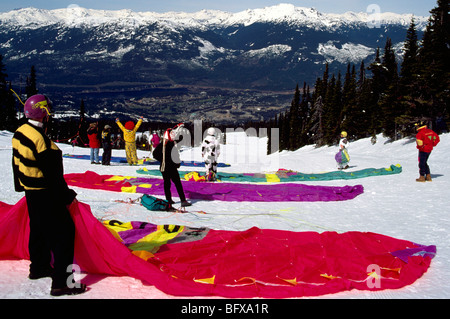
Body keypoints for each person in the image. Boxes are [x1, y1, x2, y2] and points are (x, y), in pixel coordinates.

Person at [12, 94, 86, 297]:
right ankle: (62, 283)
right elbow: (53, 176)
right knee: (64, 234)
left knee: (38, 228)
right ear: (43, 112)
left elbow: (16, 163)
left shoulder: (20, 132)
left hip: (31, 191)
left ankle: (39, 267)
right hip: (46, 193)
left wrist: (23, 186)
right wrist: (67, 196)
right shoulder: (42, 141)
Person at [153, 124, 191, 208]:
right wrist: (167, 161)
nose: (173, 135)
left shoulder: (165, 143)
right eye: (172, 134)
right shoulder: (168, 144)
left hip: (165, 168)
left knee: (167, 184)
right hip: (170, 168)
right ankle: (182, 200)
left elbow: (155, 154)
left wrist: (163, 160)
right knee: (177, 183)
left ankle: (168, 200)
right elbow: (155, 154)